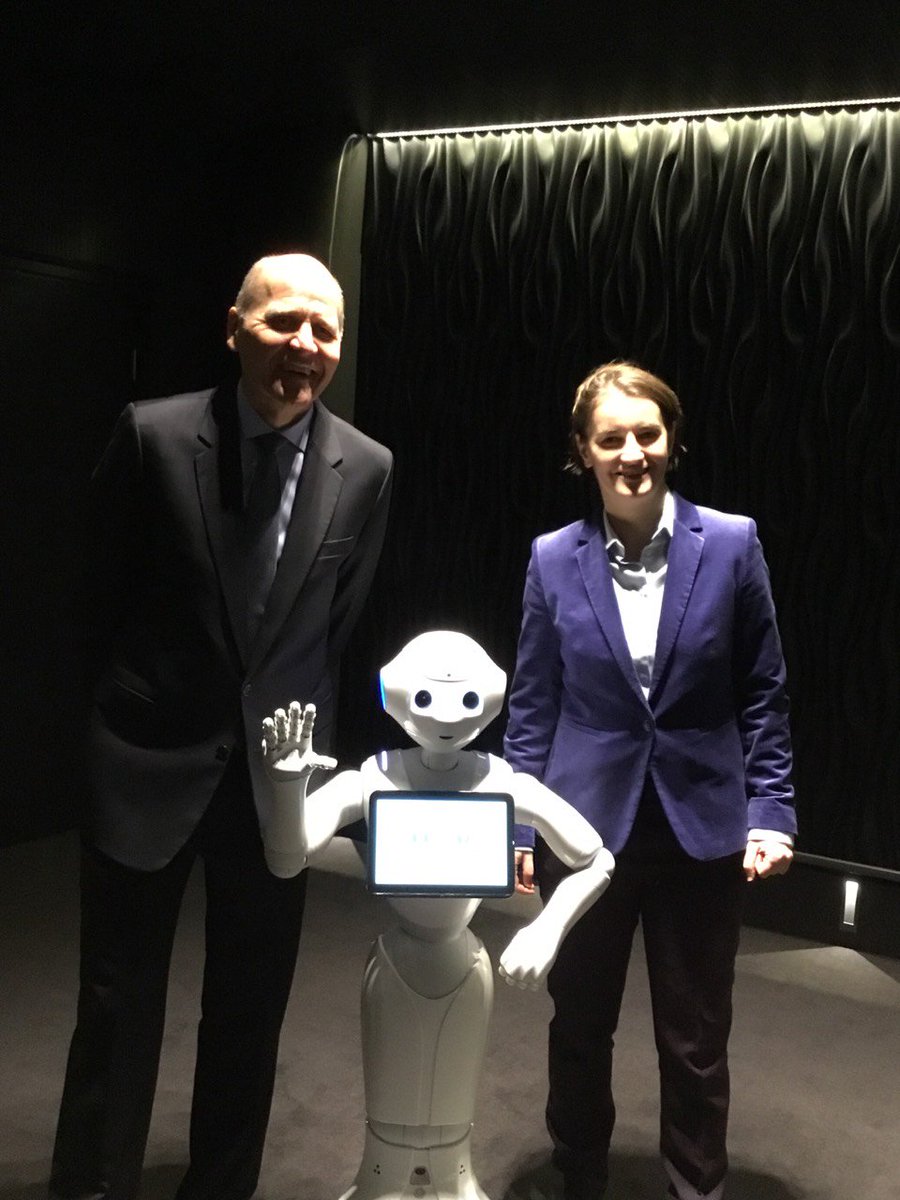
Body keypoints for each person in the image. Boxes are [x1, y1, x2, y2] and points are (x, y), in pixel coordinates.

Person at [48, 253, 393, 1200]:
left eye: (325, 328)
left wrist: (306, 767)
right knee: (115, 1008)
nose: (305, 345)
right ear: (235, 327)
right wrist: (99, 733)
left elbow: (333, 630)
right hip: (143, 760)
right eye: (283, 322)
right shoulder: (153, 436)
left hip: (274, 782)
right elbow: (90, 598)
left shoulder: (367, 468)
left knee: (250, 1014)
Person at [503, 362, 795, 1200]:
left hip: (701, 826)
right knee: (579, 1026)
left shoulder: (732, 543)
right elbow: (534, 703)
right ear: (583, 452)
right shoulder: (552, 558)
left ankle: (695, 1187)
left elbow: (763, 690)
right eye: (611, 439)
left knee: (696, 1039)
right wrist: (517, 826)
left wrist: (772, 809)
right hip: (580, 831)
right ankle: (579, 1178)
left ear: (672, 440)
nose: (632, 453)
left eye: (647, 433)